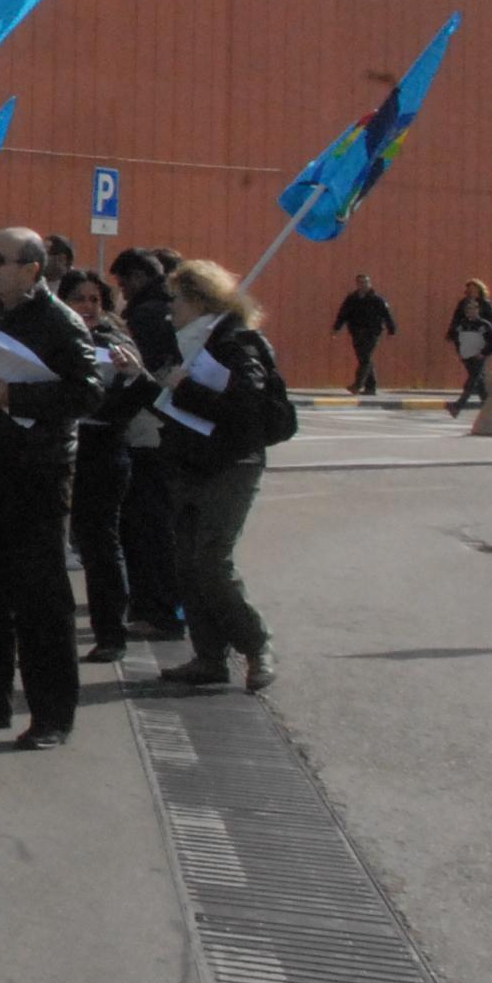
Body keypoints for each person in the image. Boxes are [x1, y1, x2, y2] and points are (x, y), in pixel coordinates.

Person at [0, 228, 101, 749]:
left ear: (32, 268)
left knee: (41, 599)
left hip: (39, 473)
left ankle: (52, 716)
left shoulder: (61, 321)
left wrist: (17, 396)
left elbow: (88, 393)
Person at [154, 260, 281, 693]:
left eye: (176, 300)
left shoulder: (236, 343)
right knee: (187, 565)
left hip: (230, 465)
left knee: (211, 562)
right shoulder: (192, 341)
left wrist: (184, 388)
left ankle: (256, 645)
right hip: (188, 461)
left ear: (198, 300)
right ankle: (209, 656)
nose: (170, 309)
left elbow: (245, 408)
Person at [60, 270, 153, 665]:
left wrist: (130, 378)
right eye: (79, 299)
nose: (88, 307)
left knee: (101, 544)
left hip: (103, 450)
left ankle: (110, 634)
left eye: (95, 299)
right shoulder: (56, 340)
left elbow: (139, 398)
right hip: (59, 449)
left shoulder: (116, 343)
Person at [109, 247, 188, 636]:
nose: (121, 291)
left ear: (138, 277)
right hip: (163, 431)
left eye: (123, 283)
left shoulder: (147, 315)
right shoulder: (169, 311)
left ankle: (159, 610)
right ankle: (164, 607)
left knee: (148, 527)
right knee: (158, 527)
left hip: (148, 431)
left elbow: (143, 375)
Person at [333, 274, 396, 396]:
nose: (364, 285)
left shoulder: (377, 299)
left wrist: (391, 330)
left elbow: (387, 315)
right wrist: (337, 328)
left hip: (372, 332)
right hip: (356, 332)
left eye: (366, 282)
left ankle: (357, 384)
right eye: (361, 282)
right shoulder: (352, 298)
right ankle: (371, 388)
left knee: (365, 357)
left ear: (369, 283)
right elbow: (343, 314)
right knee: (364, 358)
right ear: (357, 284)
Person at [446, 280, 492, 415]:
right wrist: (452, 335)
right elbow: (455, 321)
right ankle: (489, 408)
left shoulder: (485, 305)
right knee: (478, 378)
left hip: (482, 345)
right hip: (466, 345)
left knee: (474, 377)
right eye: (468, 288)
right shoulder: (462, 304)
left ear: (479, 289)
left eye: (473, 288)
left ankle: (458, 405)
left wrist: (491, 345)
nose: (470, 290)